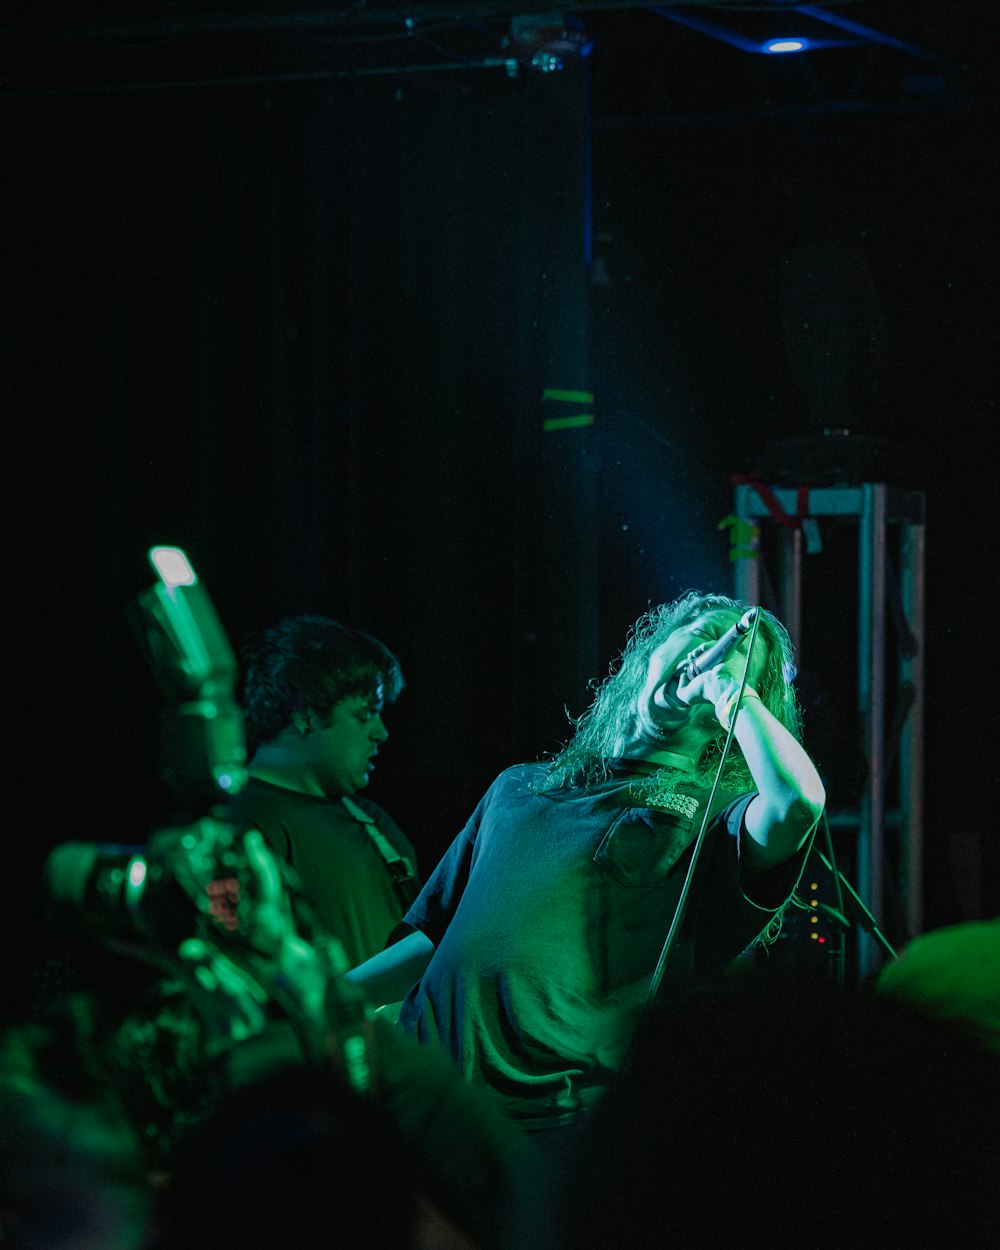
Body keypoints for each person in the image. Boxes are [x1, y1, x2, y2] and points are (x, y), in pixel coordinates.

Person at [347, 591, 826, 1137]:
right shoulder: (519, 785)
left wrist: (729, 694)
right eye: (699, 634)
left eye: (733, 656)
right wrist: (330, 999)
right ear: (650, 651)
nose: (711, 654)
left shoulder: (713, 813)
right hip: (416, 1094)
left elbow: (798, 804)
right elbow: (433, 934)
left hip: (549, 1121)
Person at [225, 615, 420, 968]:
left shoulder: (374, 825)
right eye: (365, 715)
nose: (381, 732)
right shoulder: (235, 824)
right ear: (306, 715)